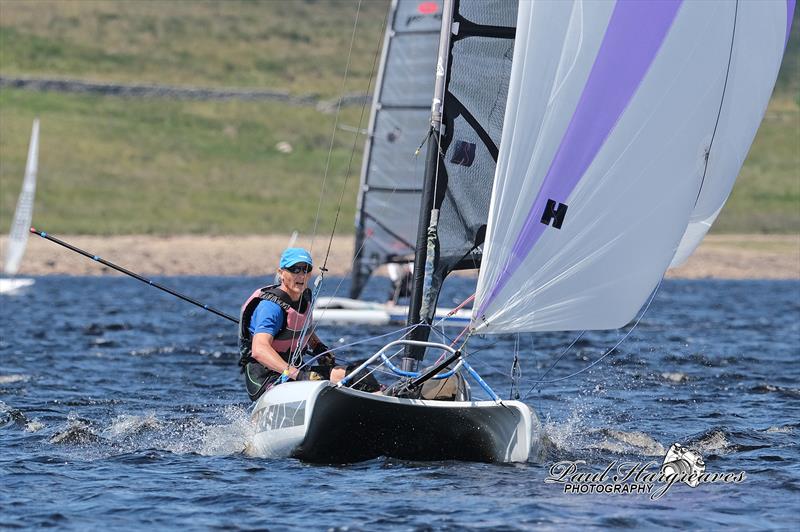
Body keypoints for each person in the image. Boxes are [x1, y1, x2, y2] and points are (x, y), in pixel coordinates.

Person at [238, 247, 345, 401]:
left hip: (294, 373)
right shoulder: (270, 307)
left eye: (306, 269)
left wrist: (318, 347)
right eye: (295, 269)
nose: (301, 275)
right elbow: (259, 350)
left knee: (353, 374)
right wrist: (299, 375)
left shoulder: (305, 299)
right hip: (265, 378)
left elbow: (301, 328)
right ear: (281, 273)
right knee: (328, 379)